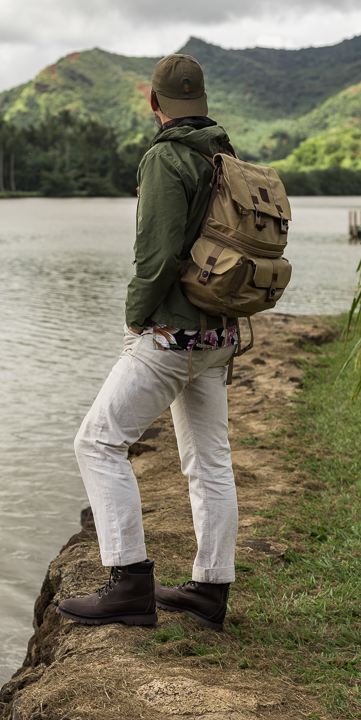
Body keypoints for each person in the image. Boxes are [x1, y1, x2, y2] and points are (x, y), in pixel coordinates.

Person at [57, 54, 239, 632]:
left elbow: (157, 257)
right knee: (209, 462)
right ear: (201, 103)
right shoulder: (224, 153)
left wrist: (135, 318)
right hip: (218, 333)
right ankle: (210, 591)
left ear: (153, 104)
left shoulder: (165, 157)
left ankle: (130, 583)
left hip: (172, 336)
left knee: (97, 442)